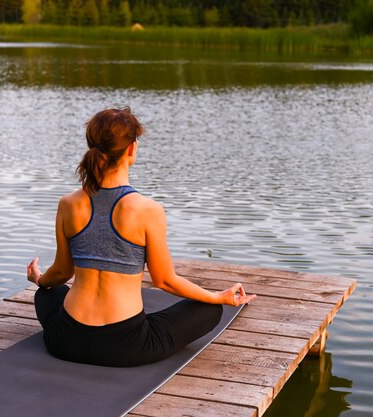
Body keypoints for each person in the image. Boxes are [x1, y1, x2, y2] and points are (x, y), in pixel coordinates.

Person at [26, 107, 256, 367]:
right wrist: (218, 297)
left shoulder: (68, 204)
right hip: (126, 347)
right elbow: (165, 281)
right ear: (131, 150)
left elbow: (61, 272)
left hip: (66, 340)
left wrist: (38, 278)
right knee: (209, 310)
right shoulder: (148, 210)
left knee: (46, 293)